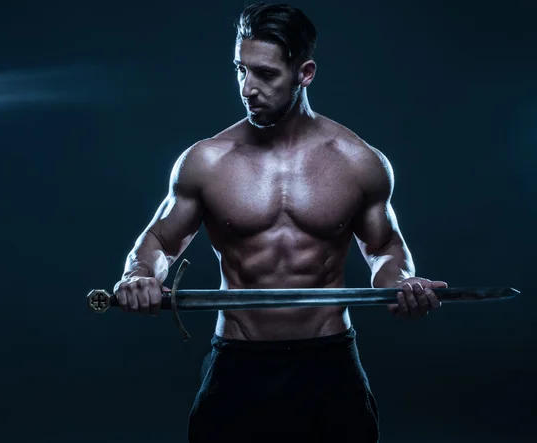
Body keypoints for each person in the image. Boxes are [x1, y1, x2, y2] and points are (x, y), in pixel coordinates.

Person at [113, 3, 447, 442]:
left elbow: (385, 248)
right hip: (239, 361)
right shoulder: (207, 161)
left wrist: (400, 282)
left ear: (304, 73)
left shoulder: (358, 162)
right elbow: (159, 239)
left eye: (265, 74)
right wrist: (139, 274)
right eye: (240, 70)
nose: (247, 89)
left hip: (328, 361)